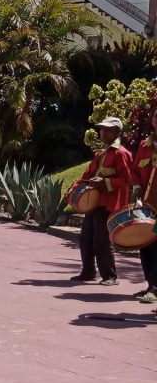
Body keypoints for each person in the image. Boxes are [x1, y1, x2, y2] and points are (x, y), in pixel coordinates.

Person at [71, 117, 132, 285]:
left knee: (101, 240)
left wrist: (105, 183)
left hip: (108, 204)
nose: (103, 132)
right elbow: (87, 175)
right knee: (85, 238)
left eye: (108, 129)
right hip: (93, 202)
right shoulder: (100, 153)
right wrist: (75, 188)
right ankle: (88, 271)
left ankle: (109, 276)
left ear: (118, 132)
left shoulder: (121, 153)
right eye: (102, 129)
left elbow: (127, 181)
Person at [130, 107, 157, 303]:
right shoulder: (144, 145)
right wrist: (137, 188)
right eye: (156, 116)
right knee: (144, 244)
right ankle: (150, 283)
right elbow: (135, 171)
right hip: (147, 204)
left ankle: (155, 288)